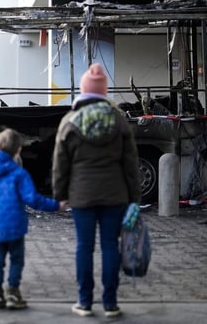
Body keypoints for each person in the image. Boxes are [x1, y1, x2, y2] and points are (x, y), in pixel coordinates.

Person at [51, 63, 141, 318]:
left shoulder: (69, 122)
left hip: (82, 196)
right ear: (104, 92)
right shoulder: (119, 120)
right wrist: (134, 198)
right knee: (111, 246)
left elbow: (60, 163)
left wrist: (60, 195)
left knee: (84, 247)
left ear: (83, 91)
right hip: (115, 196)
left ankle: (84, 302)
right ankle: (110, 304)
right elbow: (131, 163)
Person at [0, 128, 66, 310]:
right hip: (15, 225)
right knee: (16, 259)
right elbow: (32, 199)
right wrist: (56, 206)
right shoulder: (19, 174)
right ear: (18, 150)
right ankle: (13, 293)